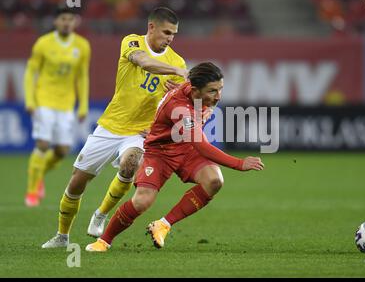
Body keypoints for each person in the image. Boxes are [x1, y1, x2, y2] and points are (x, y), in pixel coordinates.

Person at [42, 7, 188, 248]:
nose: (170, 38)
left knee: (131, 164)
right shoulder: (132, 42)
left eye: (173, 34)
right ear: (151, 27)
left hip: (140, 131)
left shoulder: (177, 60)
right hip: (111, 124)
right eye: (166, 32)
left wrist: (171, 98)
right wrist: (174, 71)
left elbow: (174, 105)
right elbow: (143, 61)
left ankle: (101, 213)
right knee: (77, 181)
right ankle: (62, 236)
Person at [85, 62, 264, 252]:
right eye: (212, 91)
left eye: (220, 89)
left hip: (186, 149)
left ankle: (163, 225)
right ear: (195, 90)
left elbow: (192, 99)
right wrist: (239, 164)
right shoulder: (179, 108)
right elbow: (202, 146)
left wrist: (203, 107)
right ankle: (103, 241)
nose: (218, 96)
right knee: (142, 201)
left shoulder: (191, 88)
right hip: (161, 152)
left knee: (214, 181)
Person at [24, 6, 91, 207]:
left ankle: (40, 173)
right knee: (43, 143)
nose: (66, 22)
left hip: (66, 104)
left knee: (62, 150)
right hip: (44, 99)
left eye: (70, 19)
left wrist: (83, 105)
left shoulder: (82, 45)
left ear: (75, 22)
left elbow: (82, 77)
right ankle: (32, 190)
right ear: (55, 21)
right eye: (63, 18)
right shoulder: (43, 43)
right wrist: (30, 100)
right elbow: (30, 72)